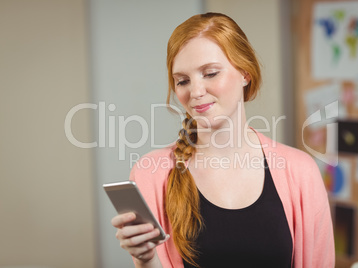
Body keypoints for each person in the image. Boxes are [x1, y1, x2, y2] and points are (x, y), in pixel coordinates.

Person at [111, 12, 335, 268]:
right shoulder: (151, 175)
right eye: (183, 80)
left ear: (245, 73)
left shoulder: (301, 171)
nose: (195, 92)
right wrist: (145, 259)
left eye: (210, 73)